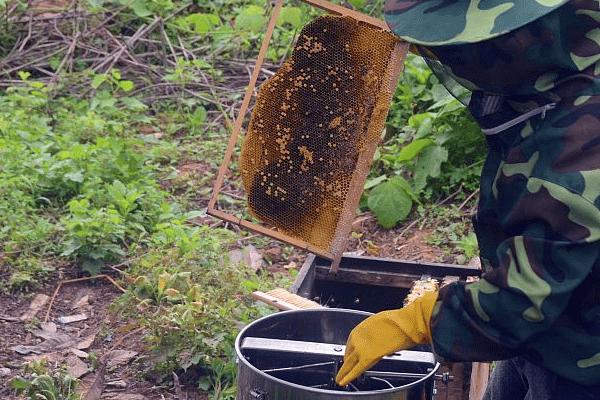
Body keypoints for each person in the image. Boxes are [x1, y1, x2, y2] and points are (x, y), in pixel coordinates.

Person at [335, 1, 600, 399]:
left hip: (581, 360)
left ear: (518, 36)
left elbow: (523, 299)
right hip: (545, 334)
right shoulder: (560, 77)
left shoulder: (582, 142)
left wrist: (421, 320)